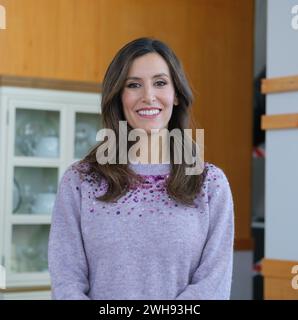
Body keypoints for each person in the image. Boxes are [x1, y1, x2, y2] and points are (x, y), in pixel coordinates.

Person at [48, 37, 234, 300]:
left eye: (160, 83)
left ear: (176, 95)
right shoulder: (80, 181)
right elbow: (66, 279)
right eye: (134, 85)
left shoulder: (209, 183)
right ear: (118, 97)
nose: (148, 96)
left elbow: (213, 285)